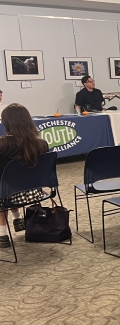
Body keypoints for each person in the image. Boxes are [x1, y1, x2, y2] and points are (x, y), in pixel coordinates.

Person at [0, 104, 50, 248]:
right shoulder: (42, 144)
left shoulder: (2, 144)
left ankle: (2, 234)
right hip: (35, 192)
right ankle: (17, 218)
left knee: (4, 185)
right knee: (10, 181)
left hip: (9, 194)